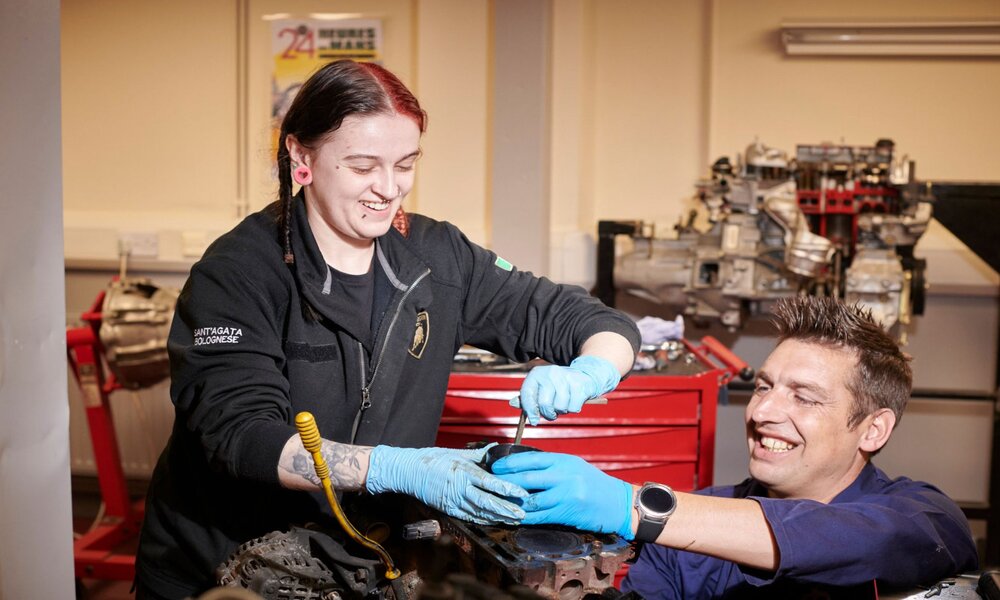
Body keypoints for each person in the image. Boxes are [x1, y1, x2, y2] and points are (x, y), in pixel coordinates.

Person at [134, 59, 639, 599]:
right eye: (362, 166)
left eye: (405, 164)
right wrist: (395, 468)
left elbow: (593, 321)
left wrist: (593, 369)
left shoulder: (438, 257)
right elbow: (241, 436)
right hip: (227, 568)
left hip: (363, 566)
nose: (389, 189)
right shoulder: (238, 272)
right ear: (301, 156)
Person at [493, 296, 979, 598]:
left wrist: (636, 508)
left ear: (873, 430)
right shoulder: (688, 533)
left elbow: (849, 538)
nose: (762, 411)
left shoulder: (924, 518)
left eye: (804, 396)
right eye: (764, 387)